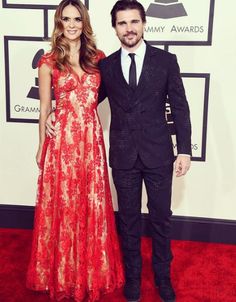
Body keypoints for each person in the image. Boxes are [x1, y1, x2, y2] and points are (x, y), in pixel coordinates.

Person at [26, 1, 124, 301]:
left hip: (91, 141)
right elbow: (45, 108)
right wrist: (42, 143)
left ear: (85, 22)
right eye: (66, 19)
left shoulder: (99, 59)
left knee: (90, 206)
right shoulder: (49, 61)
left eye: (77, 19)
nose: (71, 25)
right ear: (58, 22)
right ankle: (64, 276)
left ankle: (90, 275)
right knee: (65, 207)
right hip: (63, 143)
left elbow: (117, 93)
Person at [98, 1, 192, 301]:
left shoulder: (165, 61)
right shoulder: (106, 66)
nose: (129, 29)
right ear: (115, 28)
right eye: (122, 23)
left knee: (161, 216)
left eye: (134, 22)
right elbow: (85, 101)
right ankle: (133, 278)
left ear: (144, 23)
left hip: (159, 154)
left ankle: (163, 278)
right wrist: (54, 114)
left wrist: (185, 150)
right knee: (127, 220)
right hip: (124, 157)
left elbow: (179, 106)